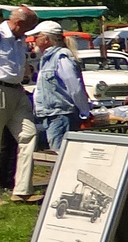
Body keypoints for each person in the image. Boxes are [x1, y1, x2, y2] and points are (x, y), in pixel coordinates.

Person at [26, 21, 91, 152]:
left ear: (46, 39)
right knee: (57, 155)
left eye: (36, 36)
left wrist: (85, 112)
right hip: (52, 115)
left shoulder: (61, 57)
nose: (33, 40)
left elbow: (74, 86)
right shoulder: (48, 58)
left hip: (61, 116)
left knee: (60, 155)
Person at [0, 5, 42, 202]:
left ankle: (22, 190)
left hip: (17, 91)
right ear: (19, 22)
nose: (29, 31)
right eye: (29, 26)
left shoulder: (20, 39)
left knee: (29, 134)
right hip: (1, 89)